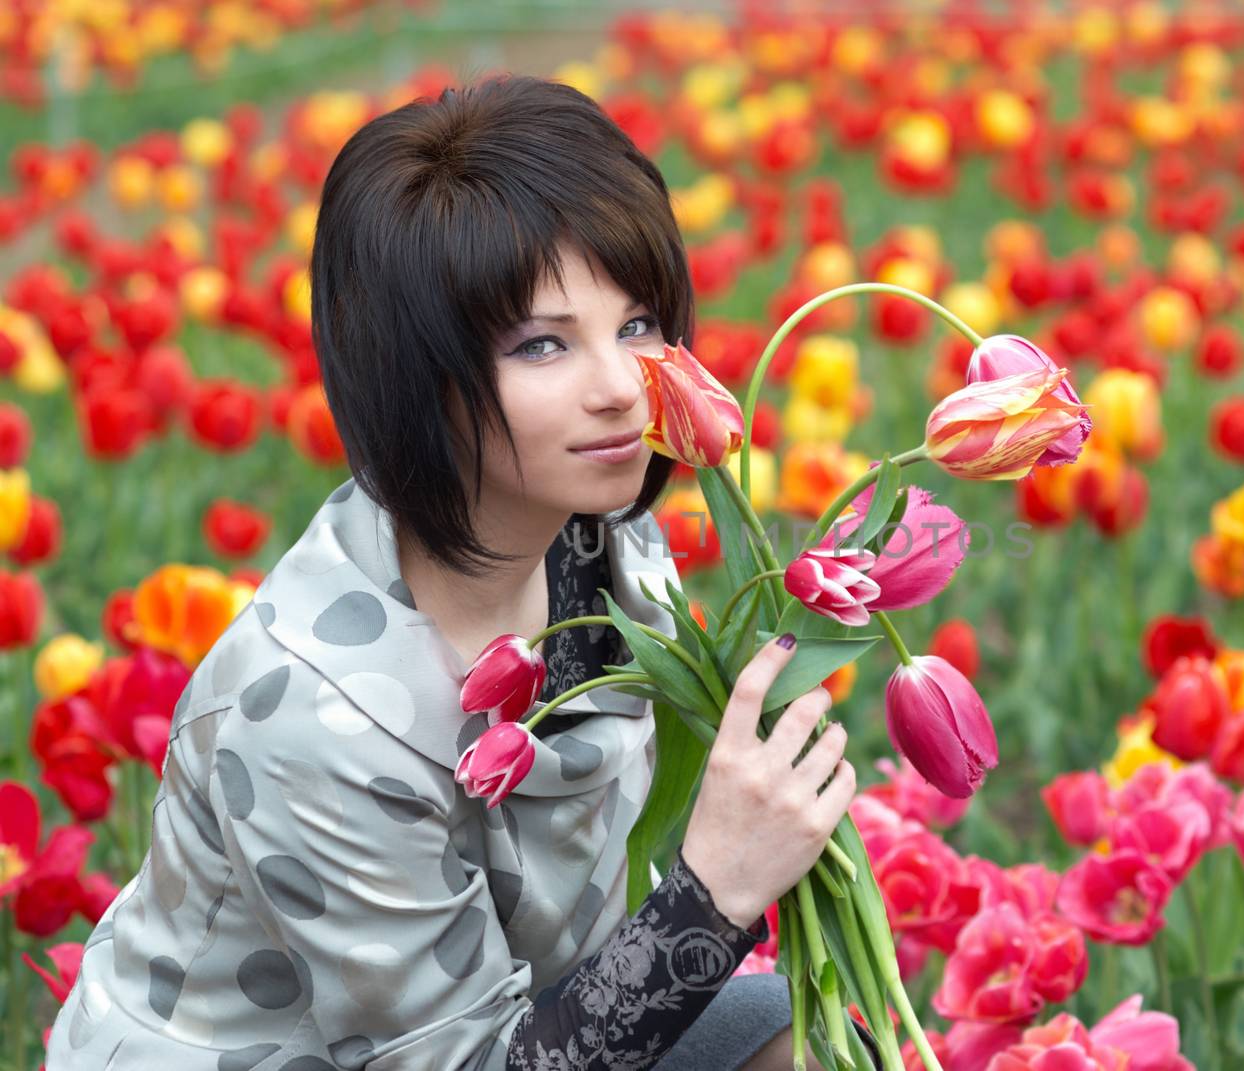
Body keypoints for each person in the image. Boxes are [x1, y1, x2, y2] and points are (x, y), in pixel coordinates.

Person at [44, 75, 879, 1071]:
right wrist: (714, 891)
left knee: (812, 1044)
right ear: (412, 375)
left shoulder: (607, 551)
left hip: (533, 1018)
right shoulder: (315, 714)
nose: (620, 389)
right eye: (542, 345)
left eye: (639, 326)